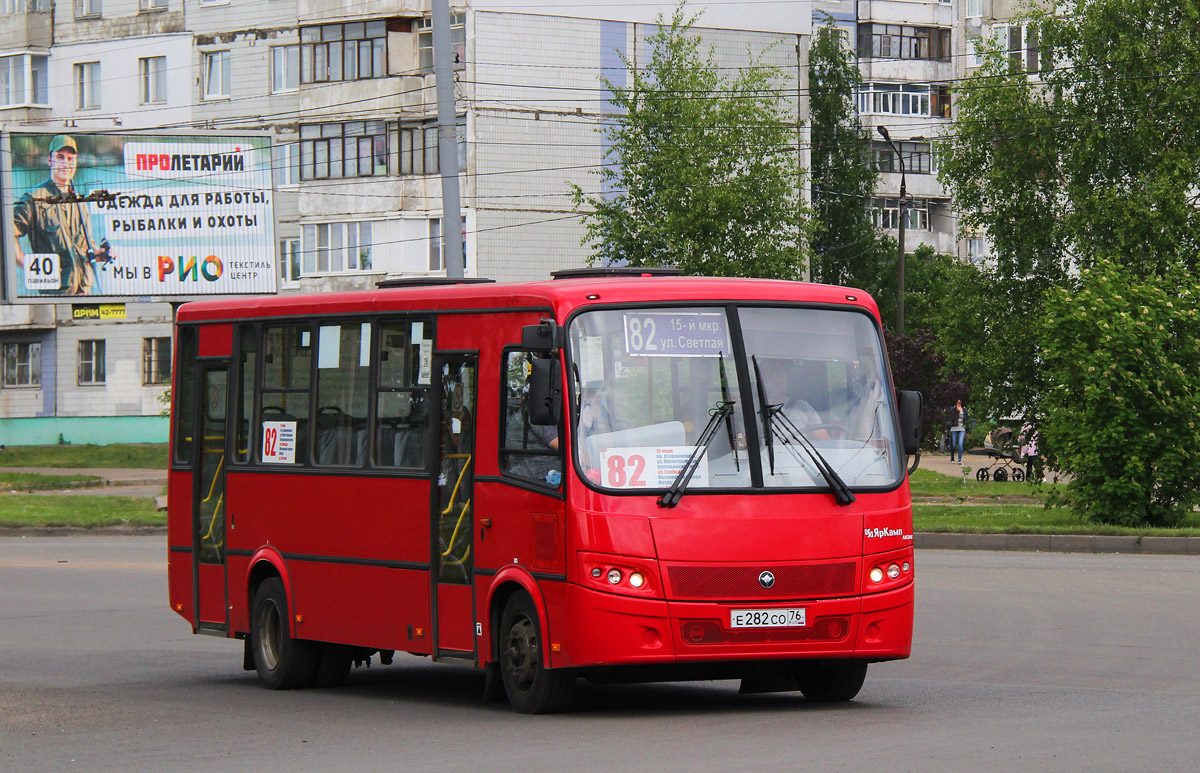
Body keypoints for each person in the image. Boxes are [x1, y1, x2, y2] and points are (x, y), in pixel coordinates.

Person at [13, 135, 111, 296]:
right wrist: (28, 266)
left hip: (85, 292)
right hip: (54, 295)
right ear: (50, 160)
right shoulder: (34, 198)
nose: (66, 163)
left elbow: (86, 246)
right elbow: (7, 235)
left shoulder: (80, 200)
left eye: (71, 159)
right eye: (60, 157)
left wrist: (102, 253)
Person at [949, 399, 968, 463]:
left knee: (960, 443)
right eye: (958, 402)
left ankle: (959, 459)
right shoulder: (953, 410)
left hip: (962, 428)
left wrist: (967, 430)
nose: (959, 404)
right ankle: (952, 457)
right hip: (954, 428)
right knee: (953, 444)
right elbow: (950, 418)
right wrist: (957, 412)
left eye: (960, 402)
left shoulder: (964, 410)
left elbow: (966, 420)